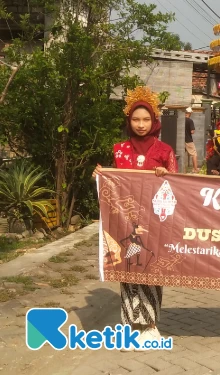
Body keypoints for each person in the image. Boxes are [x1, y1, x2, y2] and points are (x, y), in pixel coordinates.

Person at [92, 86, 177, 349]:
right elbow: (113, 184)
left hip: (155, 223)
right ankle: (130, 326)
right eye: (136, 119)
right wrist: (99, 176)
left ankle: (150, 325)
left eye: (146, 119)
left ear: (154, 122)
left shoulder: (165, 151)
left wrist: (167, 174)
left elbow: (177, 187)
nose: (141, 125)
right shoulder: (119, 150)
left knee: (151, 270)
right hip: (125, 223)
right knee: (128, 270)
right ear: (128, 121)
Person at [184, 107, 198, 173]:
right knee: (194, 154)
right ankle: (195, 169)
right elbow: (192, 131)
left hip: (182, 141)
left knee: (183, 155)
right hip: (188, 140)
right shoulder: (190, 121)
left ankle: (183, 169)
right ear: (189, 113)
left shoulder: (181, 120)